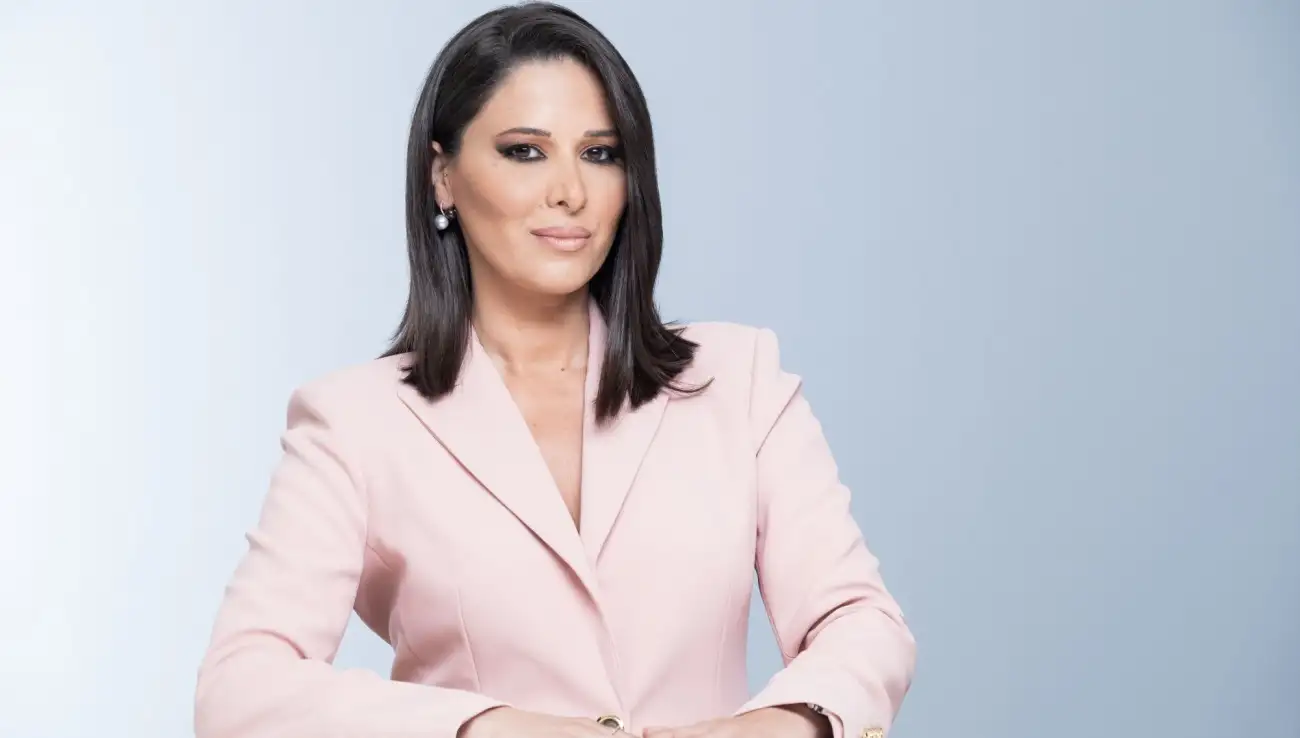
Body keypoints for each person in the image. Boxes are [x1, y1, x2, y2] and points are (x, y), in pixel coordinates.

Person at [193, 3, 915, 737]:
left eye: (600, 154)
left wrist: (778, 726)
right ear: (442, 176)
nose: (571, 191)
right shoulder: (354, 423)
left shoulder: (740, 380)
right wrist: (490, 727)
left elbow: (860, 620)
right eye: (524, 151)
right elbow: (240, 690)